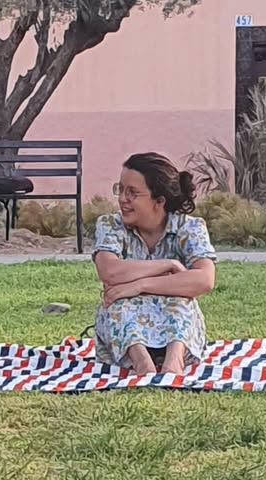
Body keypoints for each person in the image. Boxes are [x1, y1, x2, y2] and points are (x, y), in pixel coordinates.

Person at [91, 152, 217, 374]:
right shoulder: (110, 225)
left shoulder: (190, 228)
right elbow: (109, 270)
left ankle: (174, 361)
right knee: (119, 304)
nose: (122, 199)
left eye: (132, 192)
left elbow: (204, 280)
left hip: (176, 330)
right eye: (120, 189)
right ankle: (141, 362)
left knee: (180, 301)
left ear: (159, 201)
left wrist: (139, 286)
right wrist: (168, 265)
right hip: (125, 333)